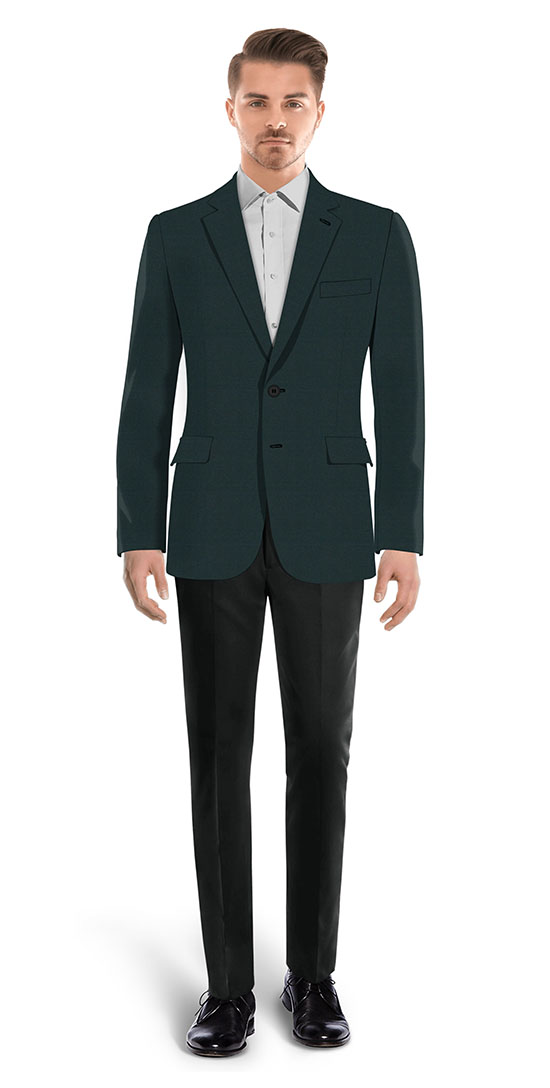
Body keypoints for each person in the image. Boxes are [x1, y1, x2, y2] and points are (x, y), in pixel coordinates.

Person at [116, 27, 424, 1057]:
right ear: (231, 110)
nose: (276, 120)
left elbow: (403, 391)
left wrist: (402, 533)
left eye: (295, 102)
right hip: (208, 524)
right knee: (217, 756)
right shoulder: (176, 235)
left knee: (321, 752)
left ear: (319, 113)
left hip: (330, 525)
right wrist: (138, 529)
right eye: (258, 101)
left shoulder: (375, 235)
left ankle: (313, 975)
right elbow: (146, 385)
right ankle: (226, 990)